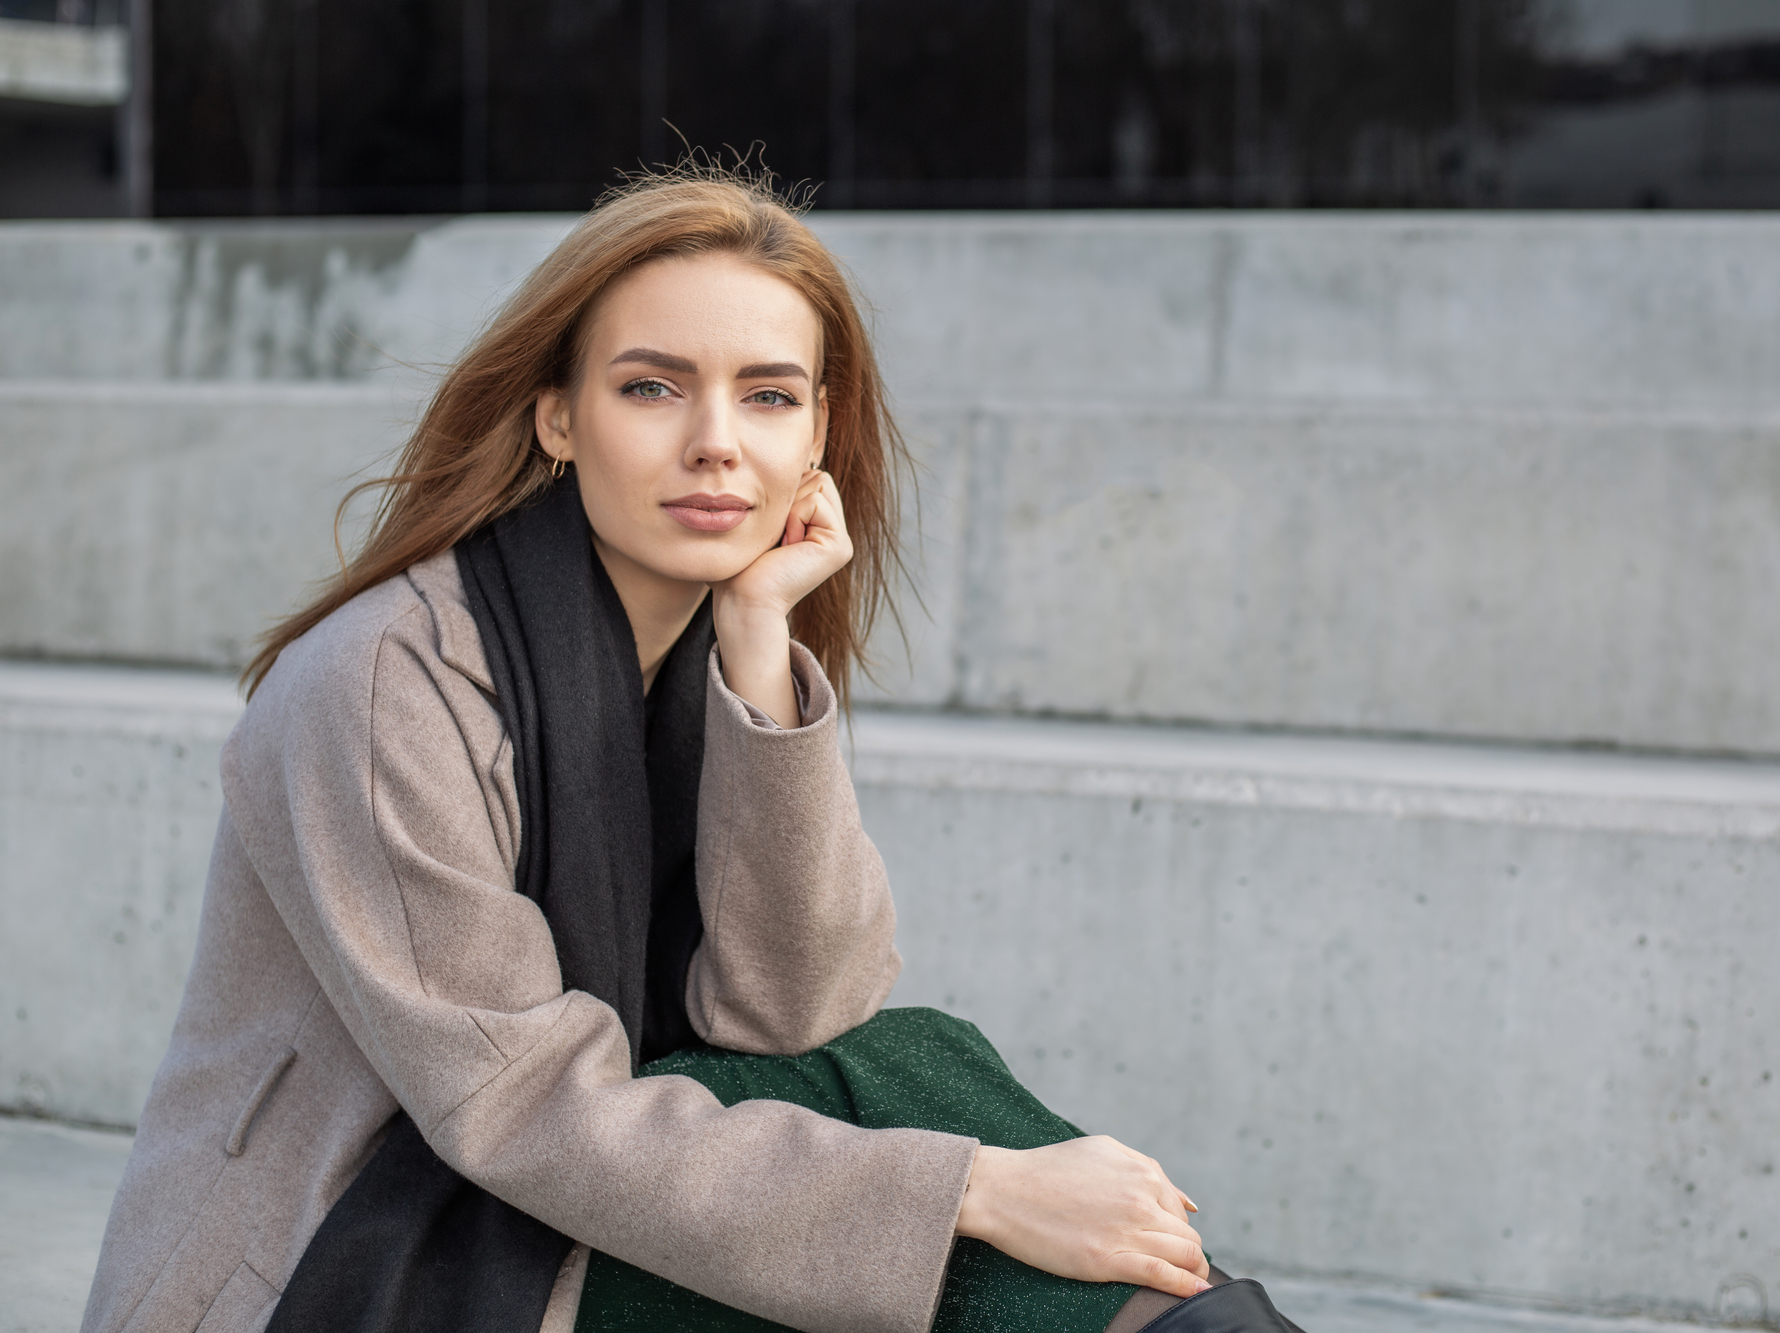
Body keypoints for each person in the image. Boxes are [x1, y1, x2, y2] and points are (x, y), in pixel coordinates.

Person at [81, 170, 1302, 1333]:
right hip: (354, 1252)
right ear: (557, 413)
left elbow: (797, 1016)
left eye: (768, 396)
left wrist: (764, 656)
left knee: (916, 1064)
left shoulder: (703, 655)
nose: (718, 442)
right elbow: (513, 1106)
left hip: (553, 1194)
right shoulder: (387, 677)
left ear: (819, 428)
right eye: (653, 387)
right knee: (964, 1218)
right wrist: (971, 1187)